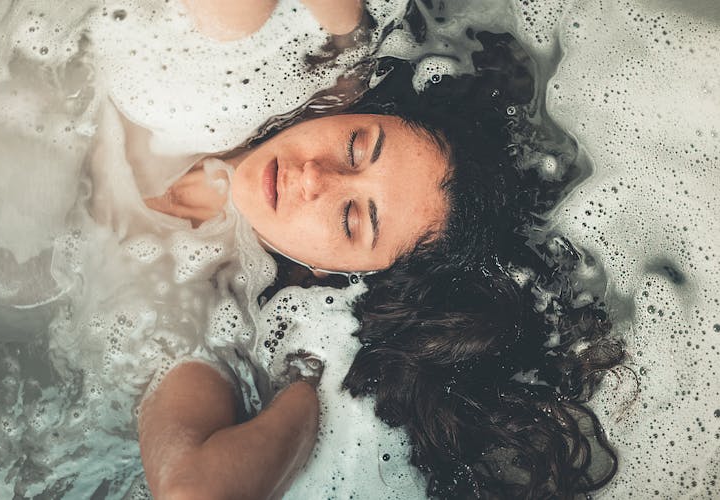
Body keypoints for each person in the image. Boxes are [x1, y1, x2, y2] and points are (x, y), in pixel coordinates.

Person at [135, 3, 625, 500]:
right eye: (355, 146)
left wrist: (306, 389)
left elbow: (193, 490)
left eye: (351, 220)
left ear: (330, 272)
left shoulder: (195, 311)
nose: (313, 177)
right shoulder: (315, 63)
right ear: (360, 109)